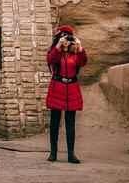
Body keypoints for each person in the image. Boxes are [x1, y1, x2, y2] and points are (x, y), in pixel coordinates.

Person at [46, 24, 88, 163]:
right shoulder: (55, 51)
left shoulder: (75, 53)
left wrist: (80, 46)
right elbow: (51, 60)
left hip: (72, 89)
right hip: (57, 87)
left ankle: (71, 154)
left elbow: (83, 62)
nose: (66, 39)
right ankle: (53, 153)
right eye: (63, 36)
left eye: (68, 37)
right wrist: (58, 45)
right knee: (54, 122)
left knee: (70, 123)